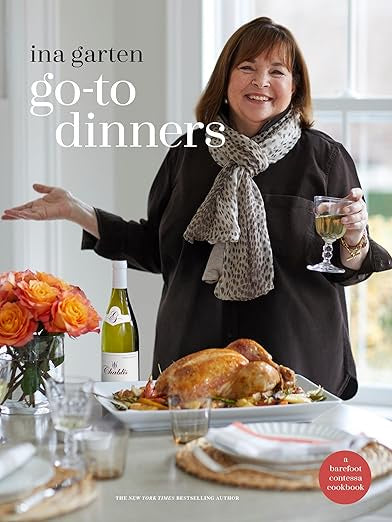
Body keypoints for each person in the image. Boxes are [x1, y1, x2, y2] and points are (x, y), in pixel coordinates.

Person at [2, 17, 391, 398]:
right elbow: (157, 248)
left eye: (277, 71)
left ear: (295, 86)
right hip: (192, 363)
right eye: (247, 67)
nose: (261, 82)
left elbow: (345, 265)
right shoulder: (188, 153)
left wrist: (354, 238)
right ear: (225, 80)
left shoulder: (323, 158)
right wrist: (76, 210)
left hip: (298, 366)